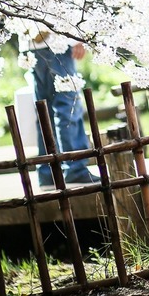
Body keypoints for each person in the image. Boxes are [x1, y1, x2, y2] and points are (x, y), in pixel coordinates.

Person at [30, 34, 100, 187]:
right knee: (67, 107)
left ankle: (48, 173)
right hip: (57, 43)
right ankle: (74, 169)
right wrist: (77, 39)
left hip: (32, 45)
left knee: (44, 111)